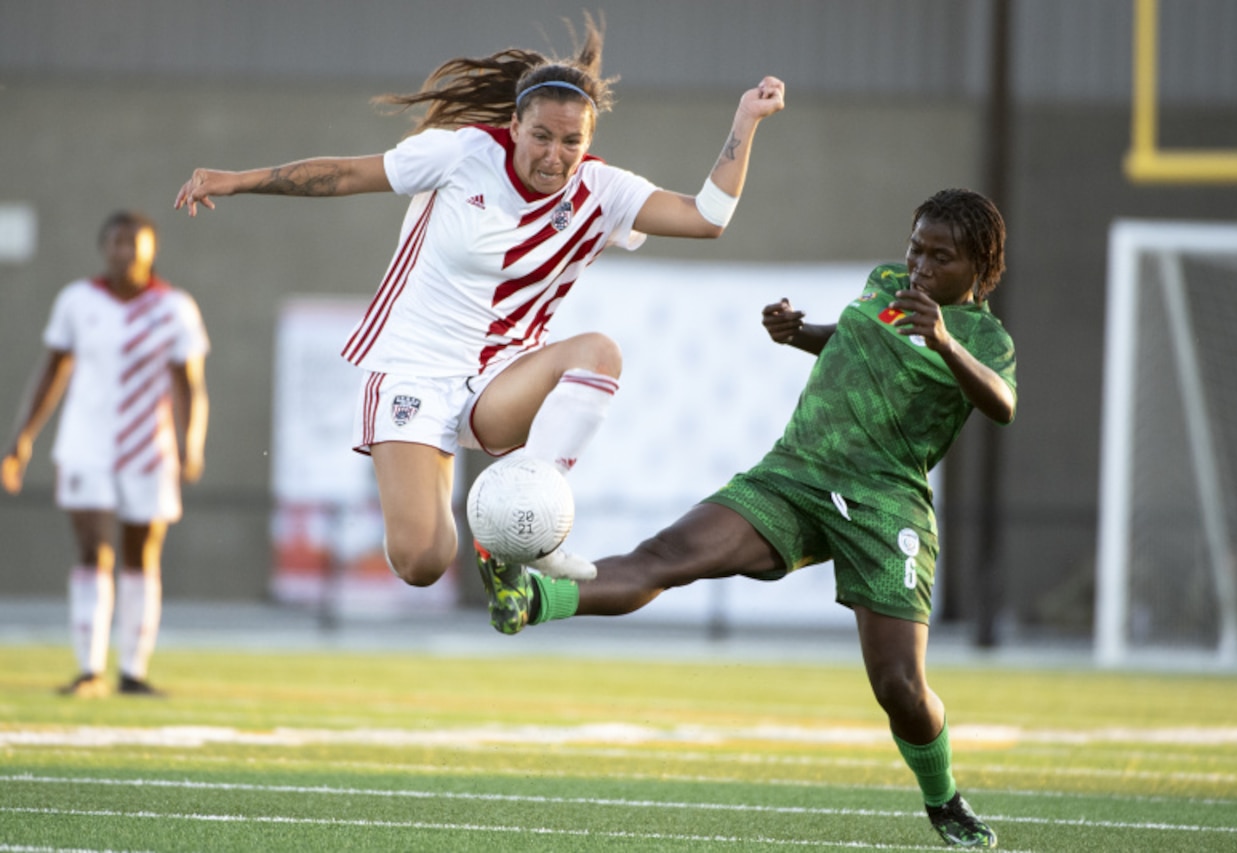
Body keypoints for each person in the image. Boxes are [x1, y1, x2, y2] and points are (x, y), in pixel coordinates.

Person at [476, 188, 1015, 848]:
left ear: (980, 267)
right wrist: (800, 334)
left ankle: (944, 800)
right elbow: (862, 345)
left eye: (941, 256)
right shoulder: (888, 284)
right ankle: (529, 596)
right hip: (796, 475)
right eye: (916, 247)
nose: (919, 266)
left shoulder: (983, 335)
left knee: (900, 686)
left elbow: (1002, 403)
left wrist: (945, 344)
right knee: (667, 555)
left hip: (883, 506)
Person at [174, 14, 784, 588]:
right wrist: (239, 180)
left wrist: (744, 121)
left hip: (499, 380)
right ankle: (490, 535)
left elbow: (707, 218)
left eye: (571, 141)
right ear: (515, 127)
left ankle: (526, 524)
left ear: (589, 138)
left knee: (599, 352)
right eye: (540, 136)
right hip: (412, 369)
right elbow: (349, 174)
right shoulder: (461, 153)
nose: (554, 154)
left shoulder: (605, 191)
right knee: (423, 561)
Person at [3, 210, 210, 698]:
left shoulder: (175, 308)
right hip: (86, 445)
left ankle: (133, 672)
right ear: (104, 248)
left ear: (151, 249)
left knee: (142, 554)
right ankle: (88, 669)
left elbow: (190, 385)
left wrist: (191, 442)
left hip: (148, 448)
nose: (125, 251)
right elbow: (52, 371)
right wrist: (22, 438)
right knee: (93, 549)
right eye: (116, 242)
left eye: (134, 242)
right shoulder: (77, 301)